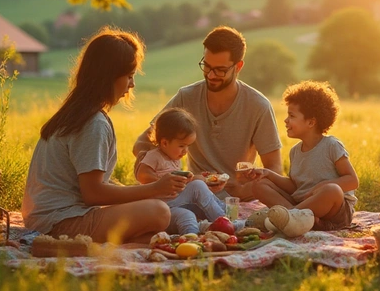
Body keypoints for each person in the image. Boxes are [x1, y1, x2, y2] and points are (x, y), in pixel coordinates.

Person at [22, 27, 185, 244]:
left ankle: (131, 242)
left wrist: (144, 191)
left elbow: (92, 188)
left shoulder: (77, 113)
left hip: (44, 219)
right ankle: (122, 243)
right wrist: (153, 189)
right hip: (60, 223)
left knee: (157, 232)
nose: (132, 84)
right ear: (108, 76)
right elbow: (93, 194)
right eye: (129, 76)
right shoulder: (93, 123)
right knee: (159, 212)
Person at [133, 26, 283, 201]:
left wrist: (243, 190)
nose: (211, 75)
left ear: (238, 66)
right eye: (207, 66)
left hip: (238, 198)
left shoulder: (258, 106)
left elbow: (274, 168)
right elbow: (143, 142)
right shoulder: (186, 97)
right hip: (192, 194)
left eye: (220, 70)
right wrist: (158, 177)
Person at [250, 80, 359, 231]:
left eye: (292, 116)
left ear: (311, 122)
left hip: (334, 211)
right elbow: (296, 186)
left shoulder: (331, 146)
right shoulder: (295, 151)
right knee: (259, 185)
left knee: (332, 190)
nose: (286, 120)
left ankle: (289, 217)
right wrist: (269, 174)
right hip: (304, 204)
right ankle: (295, 219)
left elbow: (352, 181)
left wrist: (322, 186)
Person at [135, 107, 227, 235]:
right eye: (181, 146)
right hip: (159, 205)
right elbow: (142, 175)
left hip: (174, 206)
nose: (185, 151)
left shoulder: (174, 158)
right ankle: (225, 222)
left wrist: (191, 179)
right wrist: (162, 182)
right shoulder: (154, 155)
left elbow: (179, 185)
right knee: (196, 191)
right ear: (165, 143)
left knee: (192, 212)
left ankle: (195, 237)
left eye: (188, 146)